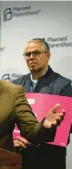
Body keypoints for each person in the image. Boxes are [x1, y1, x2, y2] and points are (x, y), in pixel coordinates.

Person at [12, 38, 72, 169]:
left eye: (36, 53)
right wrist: (13, 140)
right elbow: (8, 121)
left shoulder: (64, 86)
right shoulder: (16, 85)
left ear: (48, 56)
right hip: (20, 158)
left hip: (49, 159)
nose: (31, 57)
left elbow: (65, 128)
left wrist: (35, 138)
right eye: (28, 54)